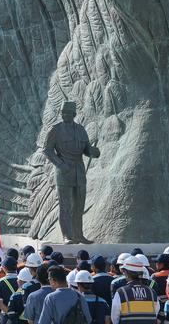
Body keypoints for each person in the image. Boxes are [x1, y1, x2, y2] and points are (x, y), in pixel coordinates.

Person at [42, 101, 100, 244]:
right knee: (65, 206)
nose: (64, 115)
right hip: (64, 173)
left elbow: (87, 149)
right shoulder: (55, 130)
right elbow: (47, 150)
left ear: (74, 114)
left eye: (67, 113)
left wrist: (94, 151)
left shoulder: (81, 130)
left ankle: (79, 235)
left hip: (79, 173)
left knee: (79, 206)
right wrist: (61, 164)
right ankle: (67, 236)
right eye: (62, 112)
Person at [111, 255, 158, 324]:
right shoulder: (152, 292)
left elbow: (115, 317)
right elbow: (155, 313)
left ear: (126, 273)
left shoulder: (121, 292)